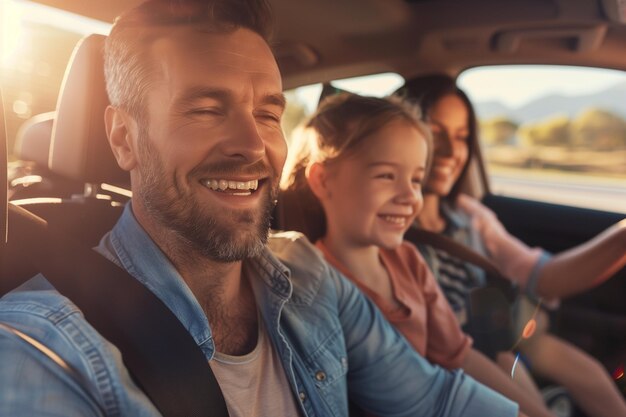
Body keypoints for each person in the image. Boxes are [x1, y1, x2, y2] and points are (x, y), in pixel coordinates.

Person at [0, 1, 524, 416]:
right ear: (123, 137)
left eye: (269, 113)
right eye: (206, 109)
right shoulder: (43, 350)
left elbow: (436, 402)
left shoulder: (309, 275)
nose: (254, 146)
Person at [281, 92, 557, 417]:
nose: (408, 196)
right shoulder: (312, 283)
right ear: (323, 180)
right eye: (386, 175)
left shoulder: (409, 260)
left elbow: (460, 357)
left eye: (416, 179)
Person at [399, 73, 626, 417]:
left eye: (462, 137)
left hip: (495, 343)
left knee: (590, 378)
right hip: (447, 367)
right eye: (435, 133)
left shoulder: (470, 216)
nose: (451, 151)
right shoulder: (388, 229)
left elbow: (543, 276)